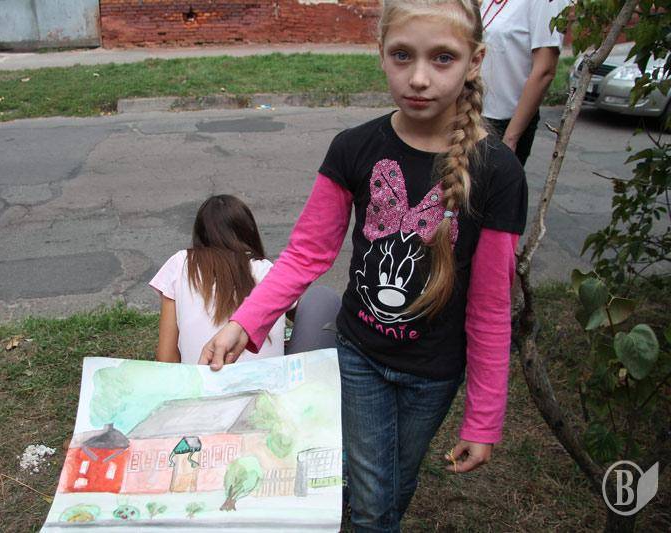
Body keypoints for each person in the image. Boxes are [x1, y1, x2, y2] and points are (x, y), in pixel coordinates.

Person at [200, 1, 528, 531]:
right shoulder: (353, 148)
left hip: (434, 373)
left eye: (442, 58)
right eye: (402, 55)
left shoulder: (500, 172)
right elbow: (306, 253)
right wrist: (246, 320)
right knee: (377, 498)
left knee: (395, 481)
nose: (418, 78)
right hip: (360, 357)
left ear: (474, 61)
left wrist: (483, 418)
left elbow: (491, 308)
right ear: (381, 54)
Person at [150, 194, 286, 364]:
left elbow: (166, 357)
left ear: (200, 233)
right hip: (268, 380)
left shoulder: (181, 263)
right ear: (249, 231)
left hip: (203, 378)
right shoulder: (268, 270)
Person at [480, 0, 569, 165]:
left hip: (503, 123)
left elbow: (545, 71)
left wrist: (510, 138)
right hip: (471, 115)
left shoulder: (546, 3)